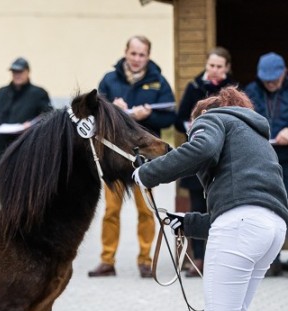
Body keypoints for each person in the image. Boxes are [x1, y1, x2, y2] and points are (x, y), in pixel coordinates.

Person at [133, 86, 288, 311]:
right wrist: (187, 223)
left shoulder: (213, 119)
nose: (193, 133)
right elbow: (238, 204)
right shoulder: (255, 135)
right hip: (271, 229)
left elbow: (201, 149)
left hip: (242, 226)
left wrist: (148, 174)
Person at [89, 35, 175, 278]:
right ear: (125, 52)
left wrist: (147, 117)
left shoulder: (158, 82)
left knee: (146, 212)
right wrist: (113, 110)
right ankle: (107, 261)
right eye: (133, 53)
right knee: (110, 212)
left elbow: (170, 117)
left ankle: (145, 260)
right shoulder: (108, 80)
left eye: (142, 54)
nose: (137, 59)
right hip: (113, 160)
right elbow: (94, 115)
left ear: (148, 56)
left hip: (143, 161)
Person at [175, 47, 237, 277]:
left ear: (227, 68)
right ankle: (198, 259)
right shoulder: (194, 87)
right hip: (196, 158)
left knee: (222, 211)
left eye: (220, 67)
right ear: (206, 64)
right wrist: (191, 126)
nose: (214, 70)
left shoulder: (232, 90)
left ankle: (222, 260)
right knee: (197, 209)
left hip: (223, 159)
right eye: (211, 65)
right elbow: (178, 117)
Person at [245, 52, 288, 276]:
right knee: (268, 209)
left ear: (284, 73)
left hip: (287, 158)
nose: (270, 83)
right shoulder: (251, 91)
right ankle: (272, 261)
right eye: (266, 79)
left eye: (275, 78)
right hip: (263, 160)